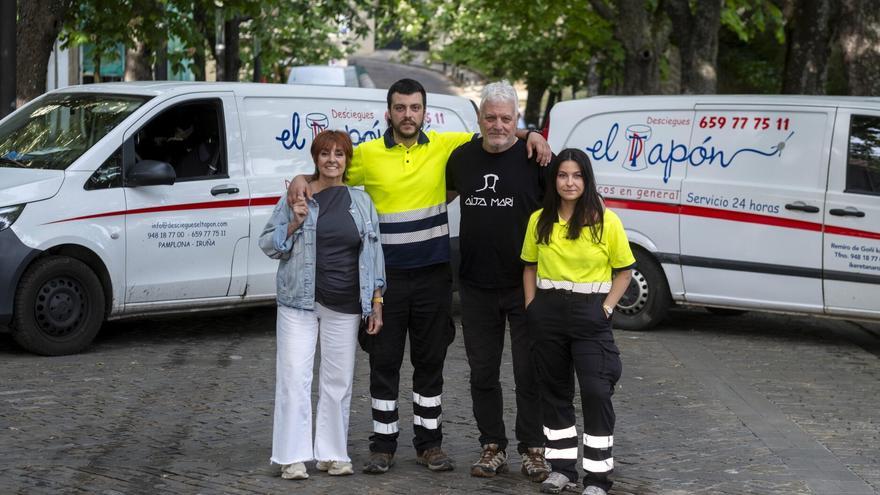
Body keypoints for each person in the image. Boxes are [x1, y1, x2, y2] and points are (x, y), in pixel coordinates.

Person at [287, 78, 552, 474]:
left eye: (415, 108)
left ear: (425, 113)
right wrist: (301, 180)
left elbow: (500, 133)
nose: (408, 115)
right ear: (389, 113)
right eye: (400, 108)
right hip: (387, 280)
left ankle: (430, 445)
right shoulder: (370, 154)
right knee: (385, 363)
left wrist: (532, 134)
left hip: (435, 277)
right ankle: (383, 445)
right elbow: (330, 172)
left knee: (432, 364)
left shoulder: (447, 147)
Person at [259, 130, 385, 481]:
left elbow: (373, 253)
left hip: (345, 303)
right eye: (325, 153)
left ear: (347, 160)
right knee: (293, 378)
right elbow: (268, 244)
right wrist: (294, 223)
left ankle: (332, 454)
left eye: (339, 154)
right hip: (298, 302)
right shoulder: (298, 195)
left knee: (338, 381)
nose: (332, 160)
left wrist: (376, 301)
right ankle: (292, 457)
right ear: (315, 158)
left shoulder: (361, 202)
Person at [445, 81, 550, 482]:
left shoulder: (535, 159)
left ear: (516, 120)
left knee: (529, 371)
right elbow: (440, 197)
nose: (498, 125)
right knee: (482, 372)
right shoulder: (461, 159)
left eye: (507, 118)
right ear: (479, 119)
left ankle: (533, 449)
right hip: (475, 285)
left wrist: (533, 135)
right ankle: (492, 446)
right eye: (490, 117)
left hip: (527, 285)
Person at [520, 148, 635, 495]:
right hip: (548, 313)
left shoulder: (606, 221)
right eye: (562, 175)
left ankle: (597, 479)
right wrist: (531, 305)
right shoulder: (539, 219)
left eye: (577, 176)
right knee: (554, 393)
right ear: (553, 180)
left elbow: (625, 271)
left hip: (590, 314)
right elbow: (529, 266)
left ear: (587, 180)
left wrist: (607, 308)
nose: (569, 182)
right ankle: (562, 470)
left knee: (596, 392)